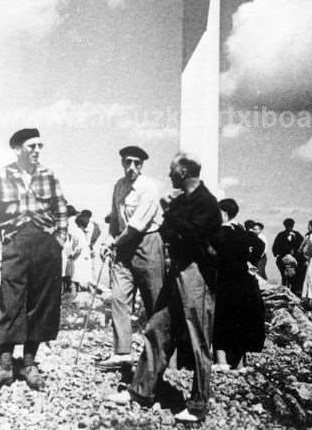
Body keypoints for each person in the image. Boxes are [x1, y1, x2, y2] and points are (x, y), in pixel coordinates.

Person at [107, 152, 222, 423]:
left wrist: (172, 217)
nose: (169, 175)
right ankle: (141, 390)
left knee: (198, 338)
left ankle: (197, 405)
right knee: (158, 327)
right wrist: (174, 221)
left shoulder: (206, 202)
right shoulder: (183, 201)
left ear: (183, 172)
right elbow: (170, 231)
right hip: (177, 271)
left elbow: (192, 234)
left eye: (172, 170)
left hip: (197, 275)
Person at [0, 128, 67, 391]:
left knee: (42, 302)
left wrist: (59, 239)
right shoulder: (1, 176)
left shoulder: (48, 175)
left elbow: (61, 208)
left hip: (45, 243)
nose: (37, 151)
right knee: (11, 301)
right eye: (31, 146)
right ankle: (5, 365)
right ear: (17, 149)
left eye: (40, 146)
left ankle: (29, 363)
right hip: (14, 243)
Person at [99, 146, 165, 368]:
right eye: (128, 162)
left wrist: (115, 242)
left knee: (154, 301)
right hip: (123, 246)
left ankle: (163, 356)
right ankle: (122, 353)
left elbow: (136, 227)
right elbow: (115, 220)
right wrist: (109, 240)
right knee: (118, 298)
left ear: (142, 165)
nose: (131, 168)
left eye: (137, 163)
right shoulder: (119, 185)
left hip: (147, 244)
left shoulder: (149, 187)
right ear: (122, 162)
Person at [213, 199, 265, 371]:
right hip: (243, 280)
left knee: (221, 317)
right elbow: (260, 244)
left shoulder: (219, 232)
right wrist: (251, 260)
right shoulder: (244, 232)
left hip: (224, 279)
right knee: (239, 320)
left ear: (223, 213)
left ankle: (221, 361)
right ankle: (239, 363)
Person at [70, 210, 101, 292]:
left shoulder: (77, 232)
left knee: (74, 278)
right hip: (85, 258)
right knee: (86, 277)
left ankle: (75, 296)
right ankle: (89, 293)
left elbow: (78, 248)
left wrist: (72, 255)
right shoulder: (83, 233)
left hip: (78, 259)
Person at [272, 218, 303, 293]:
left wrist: (295, 253)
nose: (289, 227)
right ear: (285, 226)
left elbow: (302, 247)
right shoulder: (281, 235)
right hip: (283, 259)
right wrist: (279, 255)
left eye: (291, 226)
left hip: (294, 260)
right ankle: (285, 291)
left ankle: (292, 292)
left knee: (292, 276)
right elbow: (275, 247)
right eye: (287, 226)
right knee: (285, 276)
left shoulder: (297, 235)